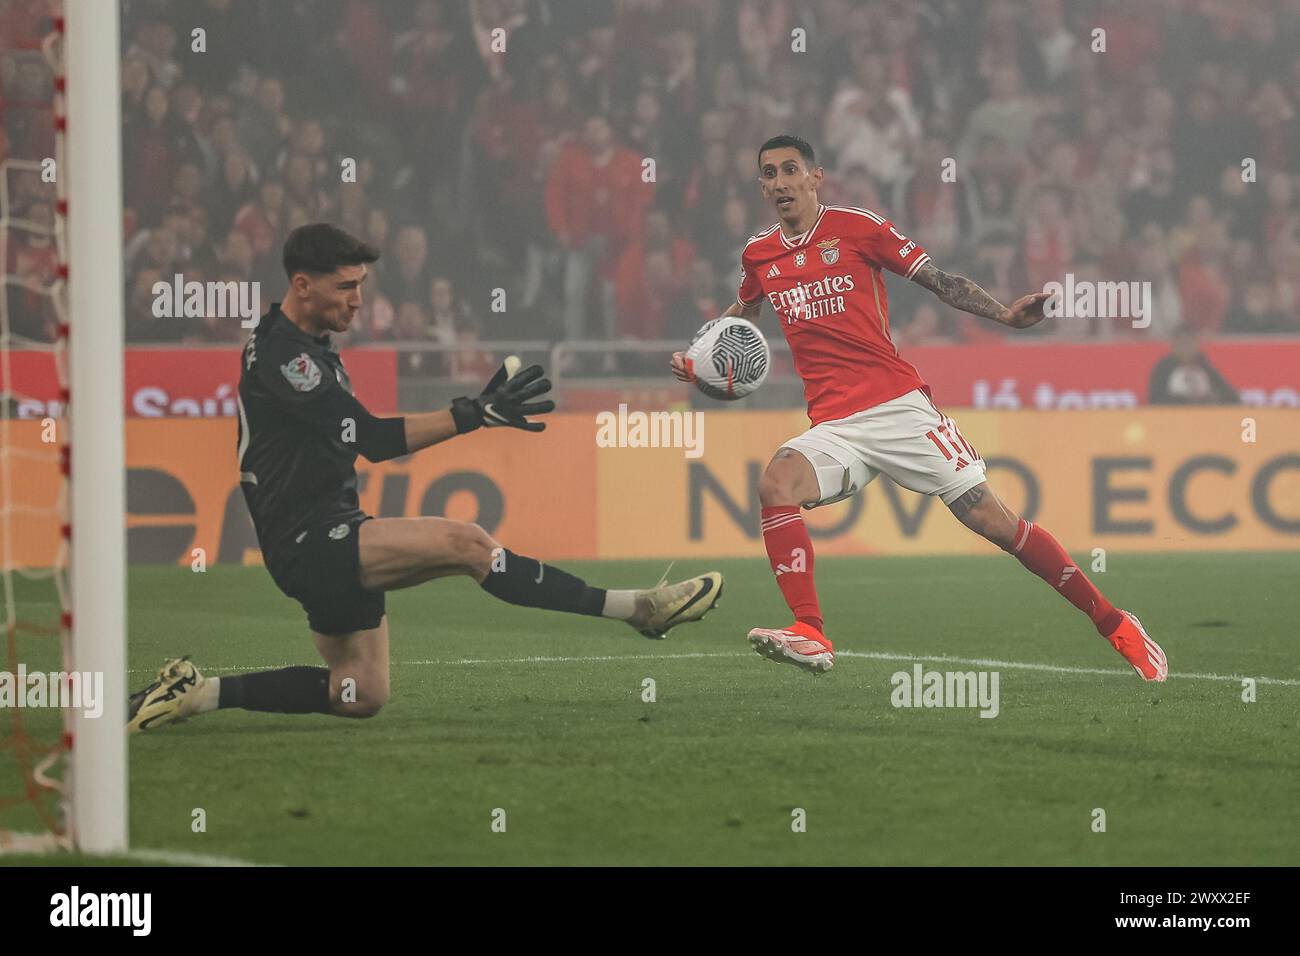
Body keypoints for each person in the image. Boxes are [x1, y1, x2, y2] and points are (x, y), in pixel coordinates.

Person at [128, 224, 722, 731]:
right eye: (347, 286)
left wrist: (475, 413)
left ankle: (198, 692)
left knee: (359, 692)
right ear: (303, 286)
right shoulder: (286, 356)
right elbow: (374, 440)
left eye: (362, 285)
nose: (359, 300)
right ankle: (638, 609)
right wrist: (473, 414)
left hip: (326, 531)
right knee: (468, 544)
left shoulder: (310, 345)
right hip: (309, 538)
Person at [670, 136, 1166, 681]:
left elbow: (939, 281)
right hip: (833, 426)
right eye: (769, 174)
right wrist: (704, 361)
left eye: (791, 171)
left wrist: (1003, 315)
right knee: (775, 485)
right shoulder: (759, 254)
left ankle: (1114, 622)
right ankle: (810, 631)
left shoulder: (859, 228)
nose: (781, 183)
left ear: (816, 177)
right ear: (762, 186)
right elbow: (741, 318)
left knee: (996, 524)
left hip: (899, 407)